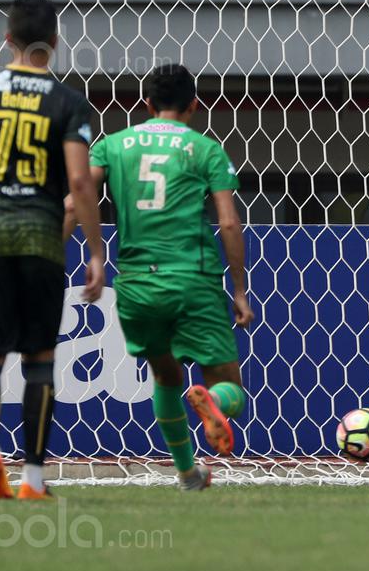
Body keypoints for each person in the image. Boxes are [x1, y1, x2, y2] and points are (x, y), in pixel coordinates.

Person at [0, 0, 105, 499]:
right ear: (54, 42)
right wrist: (95, 252)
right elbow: (80, 182)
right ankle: (32, 477)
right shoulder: (68, 102)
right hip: (39, 241)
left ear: (7, 38)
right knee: (39, 361)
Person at [84, 63, 253, 491]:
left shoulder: (112, 145)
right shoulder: (205, 149)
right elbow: (229, 222)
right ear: (194, 105)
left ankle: (187, 473)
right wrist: (238, 288)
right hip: (193, 279)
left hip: (137, 283)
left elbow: (77, 197)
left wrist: (94, 254)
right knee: (230, 388)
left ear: (147, 104)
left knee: (165, 376)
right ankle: (212, 401)